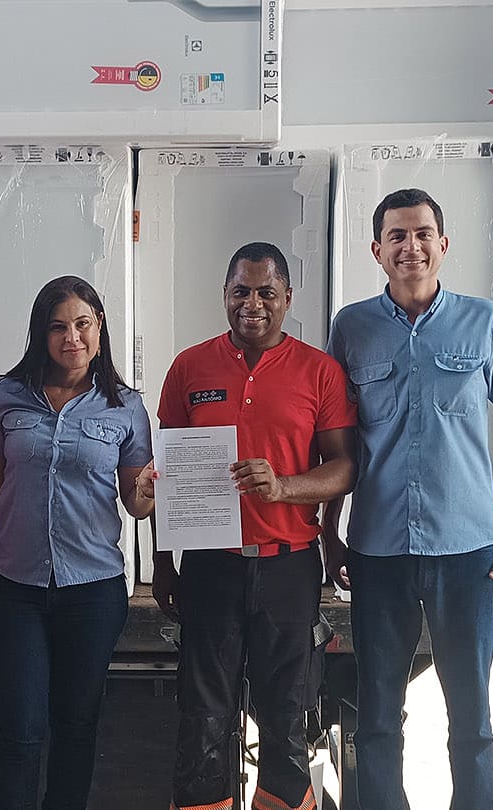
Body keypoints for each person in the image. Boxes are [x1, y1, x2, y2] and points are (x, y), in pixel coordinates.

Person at [324, 188, 493, 810]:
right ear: (377, 250)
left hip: (466, 552)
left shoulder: (484, 322)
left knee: (472, 719)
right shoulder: (351, 328)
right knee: (377, 716)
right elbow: (335, 437)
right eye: (397, 235)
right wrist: (328, 530)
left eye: (422, 234)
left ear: (442, 244)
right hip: (378, 550)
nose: (410, 246)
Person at [153, 242, 357, 810]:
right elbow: (168, 473)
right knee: (202, 722)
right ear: (224, 295)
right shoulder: (189, 367)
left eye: (267, 292)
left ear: (287, 297)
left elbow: (345, 467)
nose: (253, 304)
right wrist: (163, 562)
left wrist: (285, 488)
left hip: (289, 568)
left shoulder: (319, 372)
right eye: (241, 291)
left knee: (286, 722)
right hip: (209, 568)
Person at [0, 275, 156, 810]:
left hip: (92, 592)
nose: (72, 338)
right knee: (19, 731)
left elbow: (136, 502)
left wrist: (147, 493)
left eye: (82, 324)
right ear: (40, 334)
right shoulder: (7, 396)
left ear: (100, 328)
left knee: (76, 727)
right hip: (13, 589)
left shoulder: (125, 407)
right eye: (57, 327)